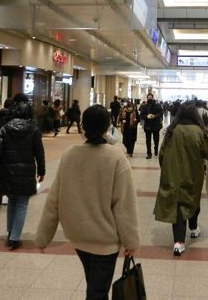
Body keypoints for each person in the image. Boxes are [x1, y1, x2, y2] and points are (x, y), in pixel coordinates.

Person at [36, 105, 139, 300]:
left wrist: (44, 236)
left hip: (78, 236)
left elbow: (54, 198)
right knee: (97, 292)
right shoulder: (115, 157)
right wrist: (131, 241)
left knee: (94, 287)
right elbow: (124, 205)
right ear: (107, 127)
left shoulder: (70, 154)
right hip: (104, 239)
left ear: (83, 126)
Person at [154, 102, 208, 256]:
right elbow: (207, 152)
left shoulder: (172, 130)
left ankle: (178, 242)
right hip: (193, 173)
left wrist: (167, 169)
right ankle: (193, 228)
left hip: (173, 173)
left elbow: (162, 154)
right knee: (193, 200)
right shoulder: (199, 131)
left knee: (178, 205)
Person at [0, 101, 45, 250]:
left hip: (8, 170)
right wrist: (42, 171)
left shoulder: (5, 128)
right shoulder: (34, 129)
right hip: (26, 171)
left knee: (12, 200)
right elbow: (39, 152)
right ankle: (15, 237)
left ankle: (11, 232)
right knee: (22, 203)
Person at [139, 92, 164, 159]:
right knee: (148, 140)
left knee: (156, 139)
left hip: (156, 125)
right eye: (148, 97)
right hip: (148, 125)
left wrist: (154, 116)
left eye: (151, 97)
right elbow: (142, 115)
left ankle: (156, 149)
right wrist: (147, 116)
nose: (149, 98)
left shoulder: (157, 105)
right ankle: (149, 153)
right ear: (147, 98)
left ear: (153, 98)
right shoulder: (145, 106)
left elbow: (161, 112)